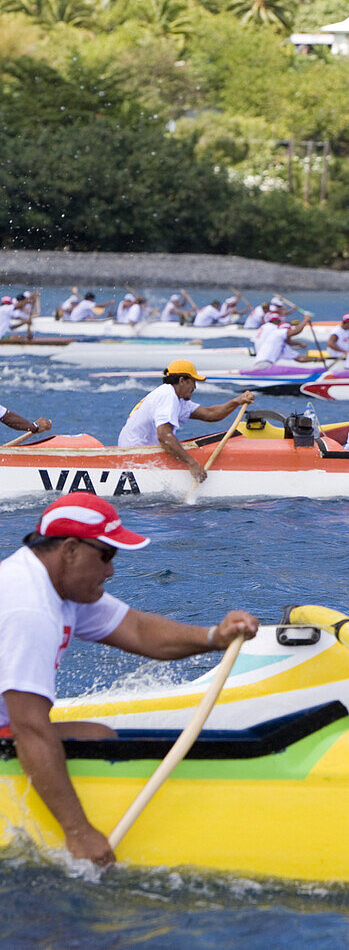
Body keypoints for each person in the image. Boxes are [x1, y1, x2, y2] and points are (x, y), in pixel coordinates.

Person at [0, 491, 259, 866]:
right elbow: (31, 730)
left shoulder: (55, 583)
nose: (110, 571)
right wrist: (78, 831)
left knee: (100, 738)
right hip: (17, 729)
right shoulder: (29, 607)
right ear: (70, 549)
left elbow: (138, 631)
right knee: (95, 740)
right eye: (106, 555)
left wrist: (213, 638)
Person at [117, 359, 255, 483]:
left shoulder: (178, 399)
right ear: (182, 380)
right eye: (193, 381)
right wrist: (192, 463)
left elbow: (210, 414)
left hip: (140, 454)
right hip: (133, 458)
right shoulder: (167, 396)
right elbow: (164, 436)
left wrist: (237, 401)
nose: (194, 387)